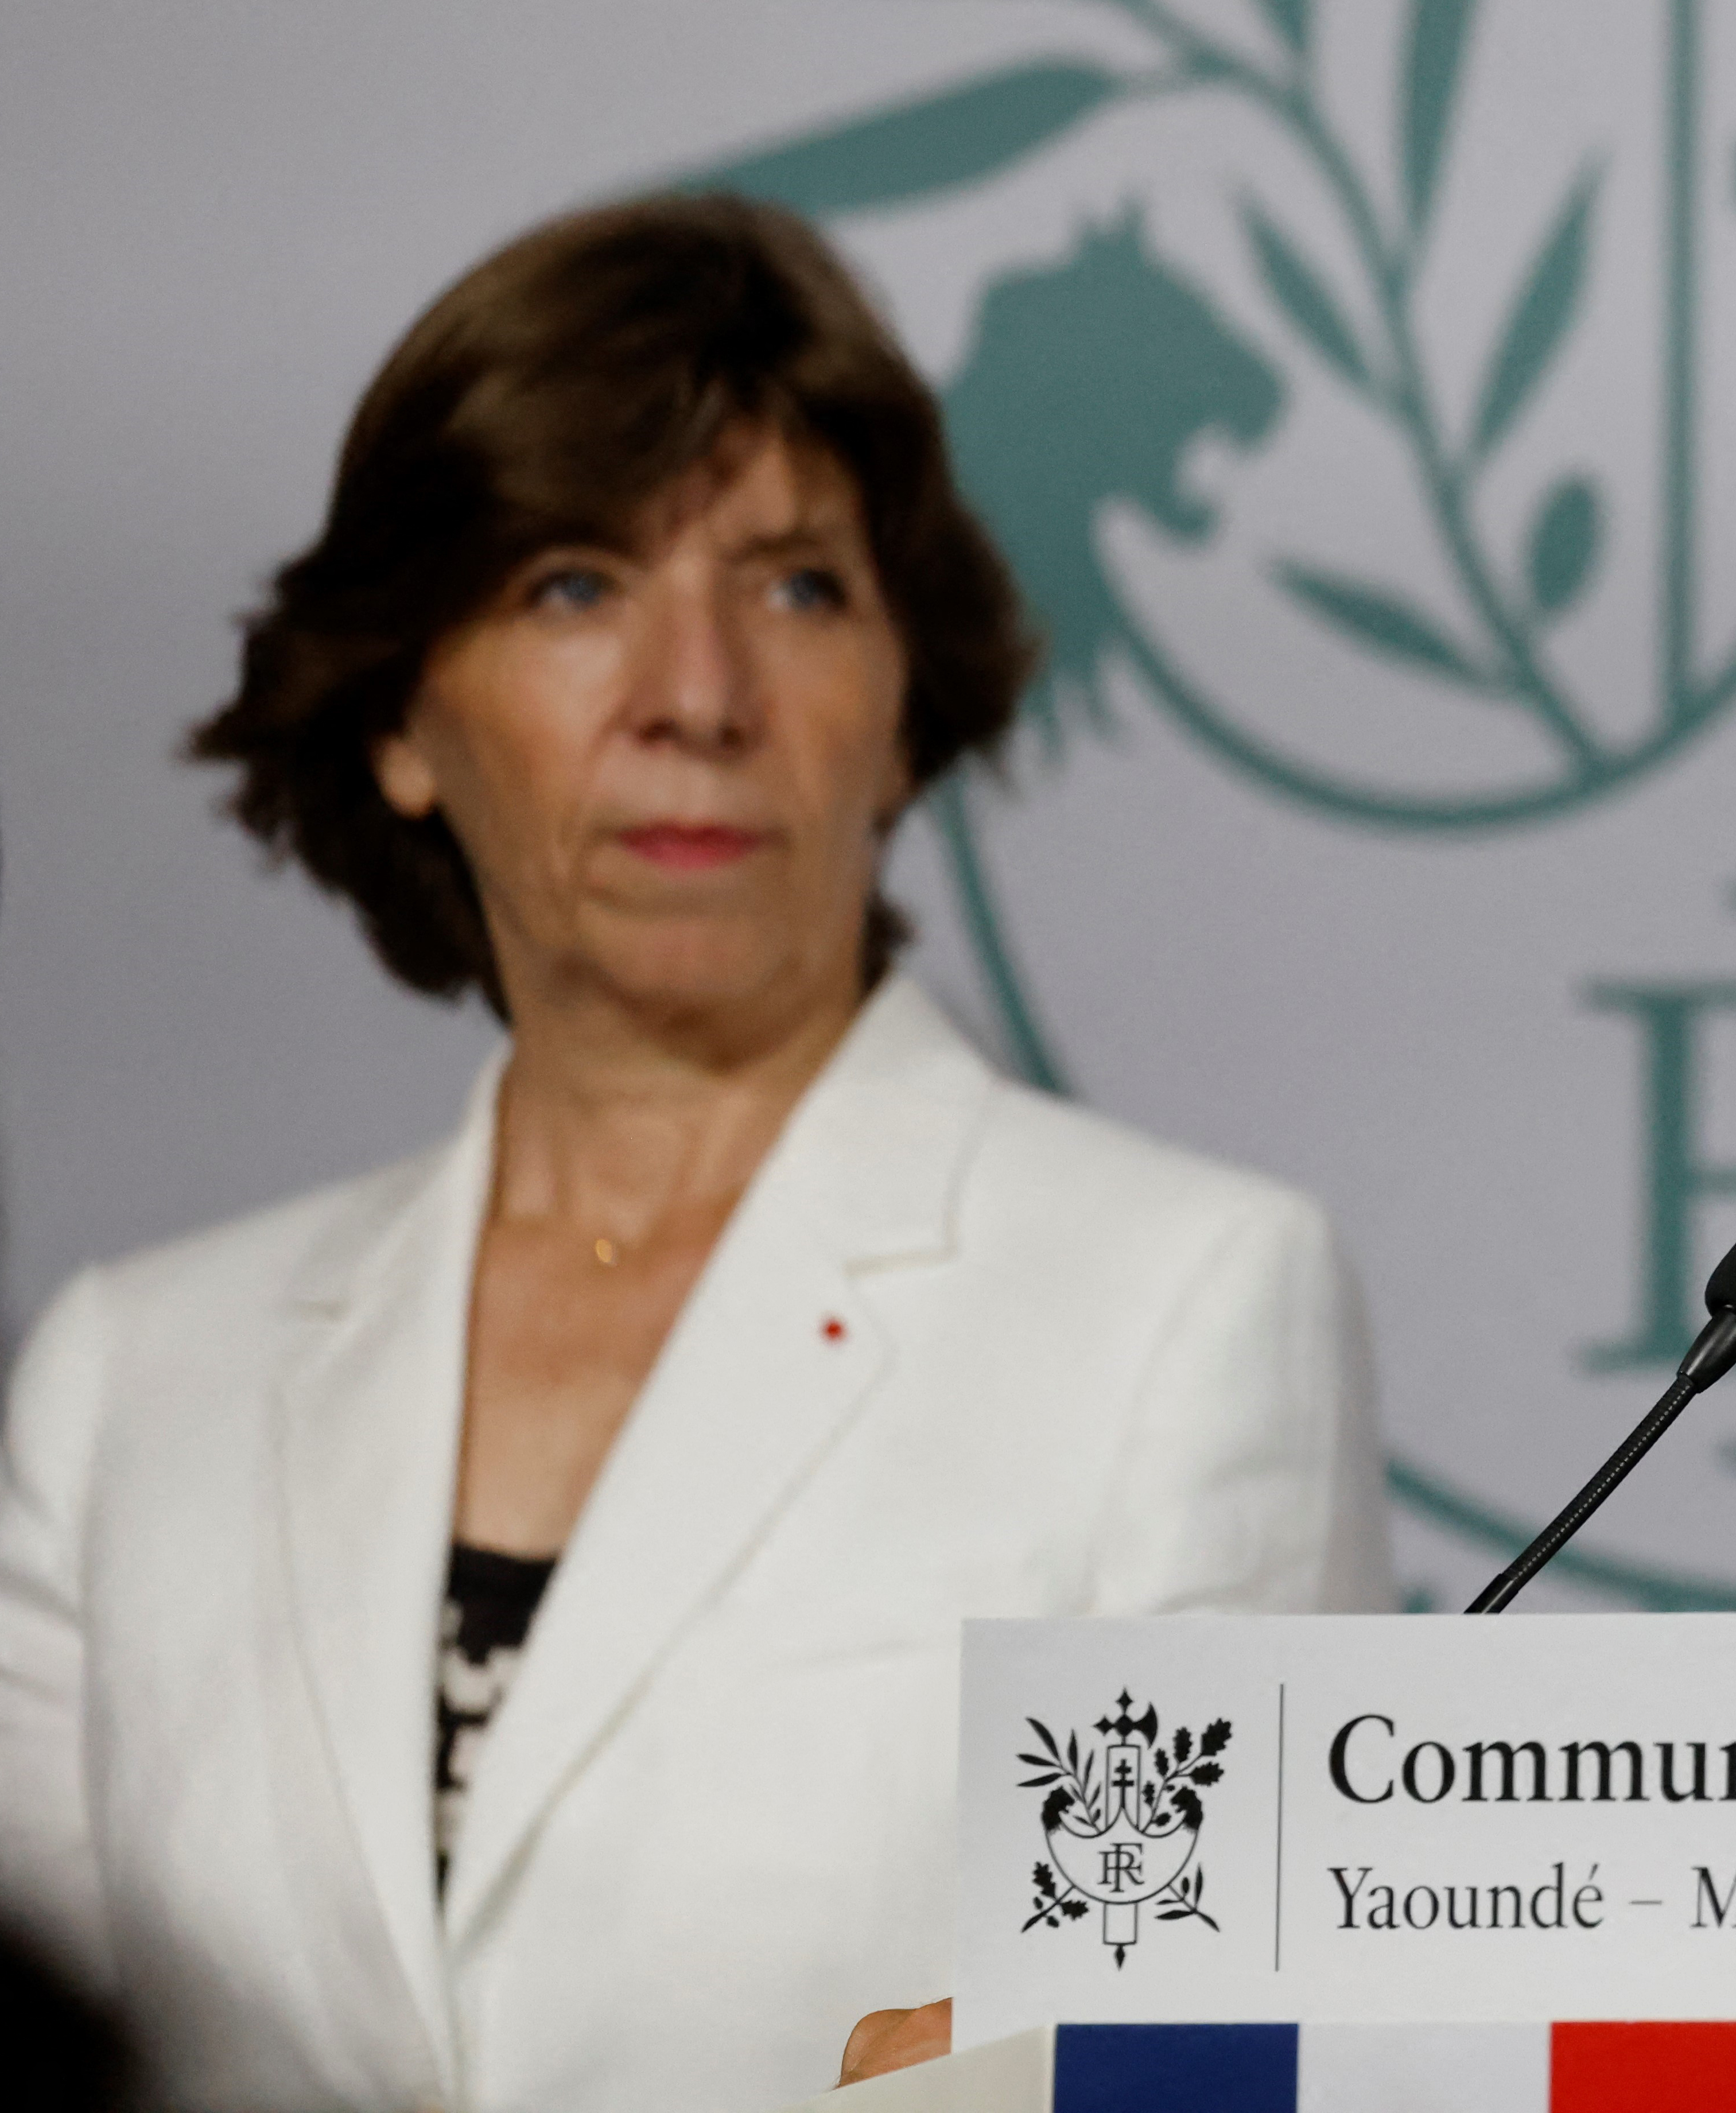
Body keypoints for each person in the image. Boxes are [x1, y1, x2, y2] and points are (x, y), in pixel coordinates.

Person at [0, 197, 1392, 2113]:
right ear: (403, 713)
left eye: (799, 586)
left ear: (905, 711)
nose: (701, 695)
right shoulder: (128, 1379)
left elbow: (1186, 2074)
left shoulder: (1187, 1307)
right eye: (575, 586)